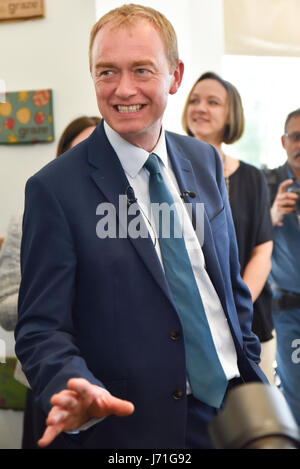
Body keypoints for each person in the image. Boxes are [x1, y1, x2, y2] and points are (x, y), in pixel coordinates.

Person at [15, 4, 267, 450]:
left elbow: (225, 285)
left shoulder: (204, 161)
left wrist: (249, 369)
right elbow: (40, 328)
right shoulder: (54, 189)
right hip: (132, 427)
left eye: (142, 70)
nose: (123, 88)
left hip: (234, 410)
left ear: (174, 75)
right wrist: (72, 383)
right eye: (107, 71)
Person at [0, 115, 100, 448]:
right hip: (46, 381)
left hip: (108, 383)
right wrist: (58, 296)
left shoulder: (122, 220)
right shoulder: (27, 215)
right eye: (77, 153)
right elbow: (5, 306)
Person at [182, 72, 274, 382]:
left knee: (254, 422)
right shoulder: (165, 170)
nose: (200, 108)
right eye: (194, 100)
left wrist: (236, 307)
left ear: (230, 113)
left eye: (213, 102)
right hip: (188, 325)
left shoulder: (251, 177)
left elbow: (263, 249)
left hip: (248, 323)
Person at [263, 108, 300, 427]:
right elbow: (243, 241)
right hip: (289, 310)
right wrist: (272, 213)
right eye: (296, 137)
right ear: (284, 141)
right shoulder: (266, 182)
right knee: (296, 395)